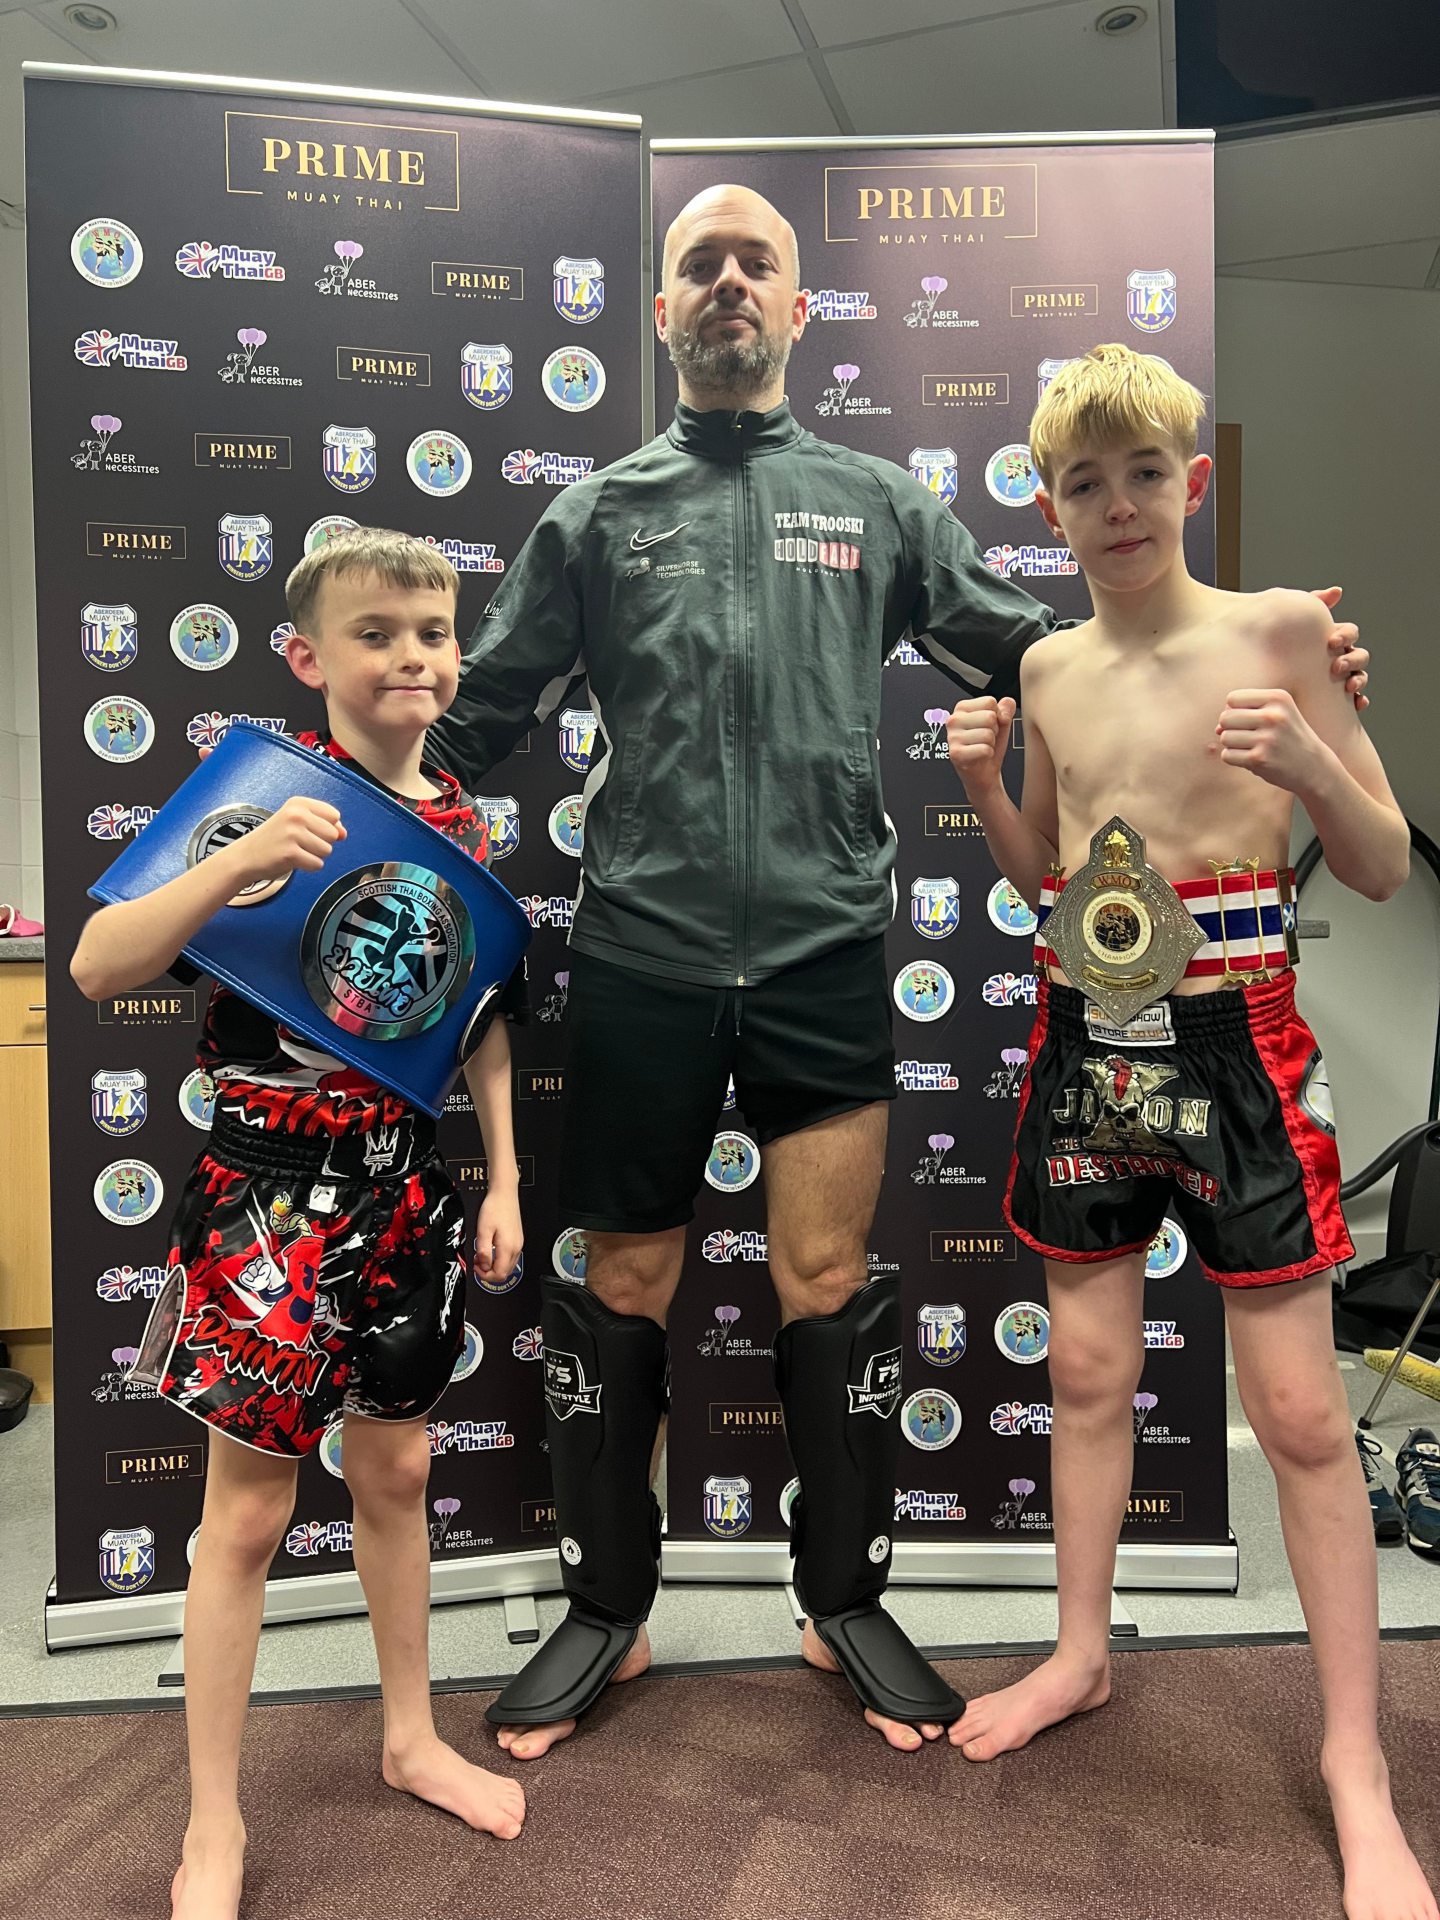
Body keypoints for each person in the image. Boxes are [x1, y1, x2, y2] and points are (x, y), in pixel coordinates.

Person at [428, 184, 1370, 1761]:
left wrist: (1287, 660)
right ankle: (607, 1609)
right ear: (662, 313)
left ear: (802, 313)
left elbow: (1062, 651)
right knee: (628, 1285)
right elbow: (469, 730)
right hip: (645, 950)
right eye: (699, 267)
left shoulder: (877, 502)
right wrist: (328, 823)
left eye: (758, 266)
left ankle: (842, 1598)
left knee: (820, 1284)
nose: (728, 285)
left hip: (818, 952)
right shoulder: (591, 516)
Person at [945, 344, 1434, 1920]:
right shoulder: (1041, 670)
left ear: (1192, 482)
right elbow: (1045, 874)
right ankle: (1081, 1654)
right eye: (1082, 482)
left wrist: (1305, 756)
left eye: (1143, 472)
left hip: (1239, 1039)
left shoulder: (1283, 630)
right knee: (1087, 1374)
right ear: (1048, 506)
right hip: (1090, 1034)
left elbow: (1372, 862)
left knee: (1299, 1413)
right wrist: (982, 800)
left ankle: (1355, 1762)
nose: (1117, 504)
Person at [70, 529, 529, 1920]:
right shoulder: (251, 791)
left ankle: (408, 1737)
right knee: (248, 1521)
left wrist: (504, 1174)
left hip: (405, 1185)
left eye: (436, 631)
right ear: (309, 658)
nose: (415, 657)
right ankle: (212, 1821)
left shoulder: (457, 823)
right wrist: (243, 859)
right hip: (264, 1188)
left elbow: (475, 1014)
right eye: (380, 631)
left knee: (395, 1478)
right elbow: (97, 965)